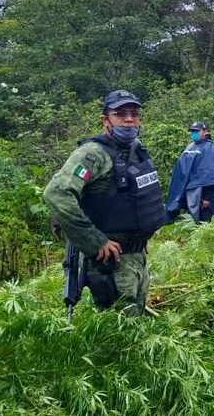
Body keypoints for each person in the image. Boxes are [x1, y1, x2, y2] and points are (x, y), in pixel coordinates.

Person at [44, 89, 167, 316]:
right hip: (112, 263)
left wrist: (138, 235)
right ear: (105, 120)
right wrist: (95, 241)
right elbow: (56, 194)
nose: (129, 120)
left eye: (134, 114)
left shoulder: (135, 149)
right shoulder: (92, 154)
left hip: (136, 256)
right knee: (121, 328)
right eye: (120, 114)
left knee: (136, 321)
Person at [166, 121, 214, 222]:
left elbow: (210, 175)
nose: (194, 134)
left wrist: (207, 198)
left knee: (206, 220)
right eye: (192, 132)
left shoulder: (208, 148)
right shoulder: (190, 147)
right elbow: (181, 169)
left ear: (204, 131)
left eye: (196, 131)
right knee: (194, 220)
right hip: (190, 192)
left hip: (203, 195)